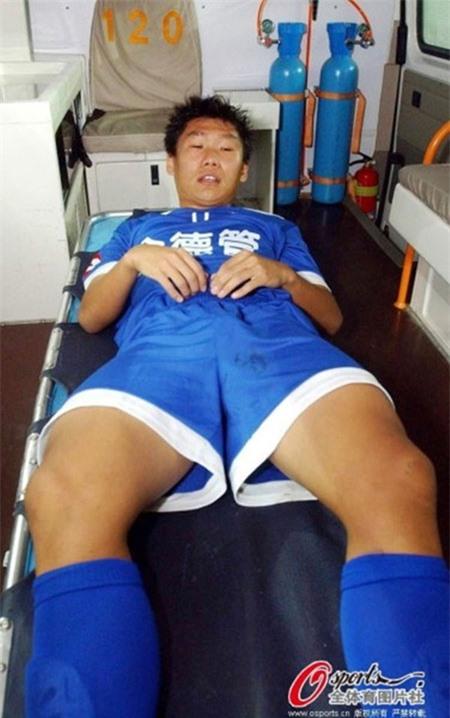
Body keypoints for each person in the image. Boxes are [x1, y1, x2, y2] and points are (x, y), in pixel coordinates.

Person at [24, 95, 448, 717]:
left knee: (400, 477)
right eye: (196, 146)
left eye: (226, 149)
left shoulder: (277, 231)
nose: (210, 158)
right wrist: (135, 261)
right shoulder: (136, 233)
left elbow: (331, 317)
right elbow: (91, 316)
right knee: (60, 495)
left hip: (276, 350)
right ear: (172, 162)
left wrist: (282, 276)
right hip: (161, 357)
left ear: (244, 170)